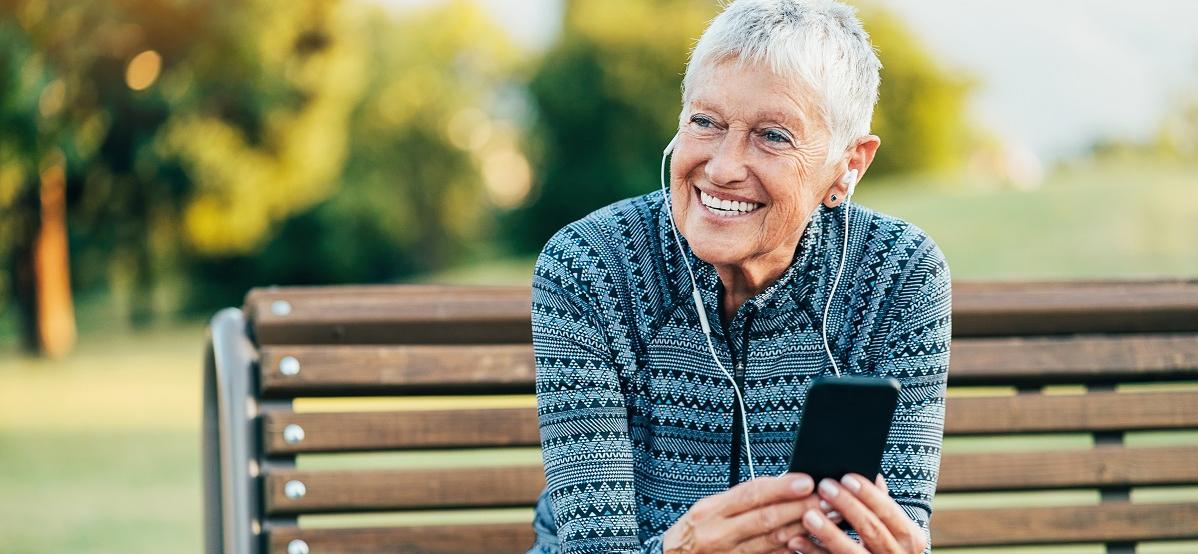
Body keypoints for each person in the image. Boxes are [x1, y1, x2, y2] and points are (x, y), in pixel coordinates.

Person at [527, 0, 951, 552]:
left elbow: (896, 520)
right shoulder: (589, 265)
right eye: (705, 122)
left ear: (850, 166)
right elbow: (592, 547)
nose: (724, 168)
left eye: (773, 135)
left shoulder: (898, 273)